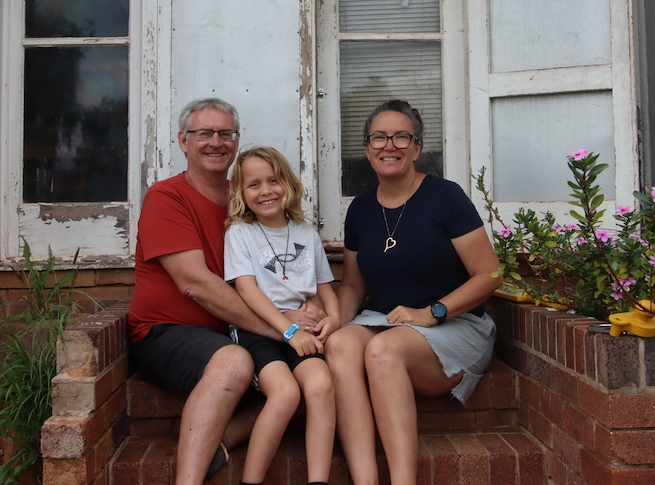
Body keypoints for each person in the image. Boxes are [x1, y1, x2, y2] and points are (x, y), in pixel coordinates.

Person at [127, 98, 322, 485]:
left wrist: (312, 310)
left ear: (236, 141)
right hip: (167, 331)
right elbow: (194, 283)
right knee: (234, 361)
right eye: (204, 133)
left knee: (316, 377)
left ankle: (222, 440)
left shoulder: (249, 199)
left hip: (239, 331)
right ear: (184, 141)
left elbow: (288, 263)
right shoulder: (167, 198)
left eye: (226, 133)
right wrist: (285, 328)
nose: (216, 142)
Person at [325, 100, 502, 485]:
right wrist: (332, 324)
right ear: (367, 148)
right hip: (386, 319)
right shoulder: (359, 209)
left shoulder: (446, 197)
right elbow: (354, 284)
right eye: (379, 137)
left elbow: (490, 273)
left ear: (417, 147)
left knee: (382, 351)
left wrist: (433, 312)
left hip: (453, 324)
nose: (390, 146)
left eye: (401, 136)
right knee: (339, 345)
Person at [223, 146, 337, 485]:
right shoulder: (240, 234)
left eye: (273, 181)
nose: (266, 191)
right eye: (254, 184)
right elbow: (247, 290)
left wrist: (333, 318)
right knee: (286, 393)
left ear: (287, 183)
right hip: (258, 333)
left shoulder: (306, 233)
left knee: (320, 384)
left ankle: (319, 480)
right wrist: (289, 330)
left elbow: (323, 287)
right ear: (241, 193)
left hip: (302, 331)